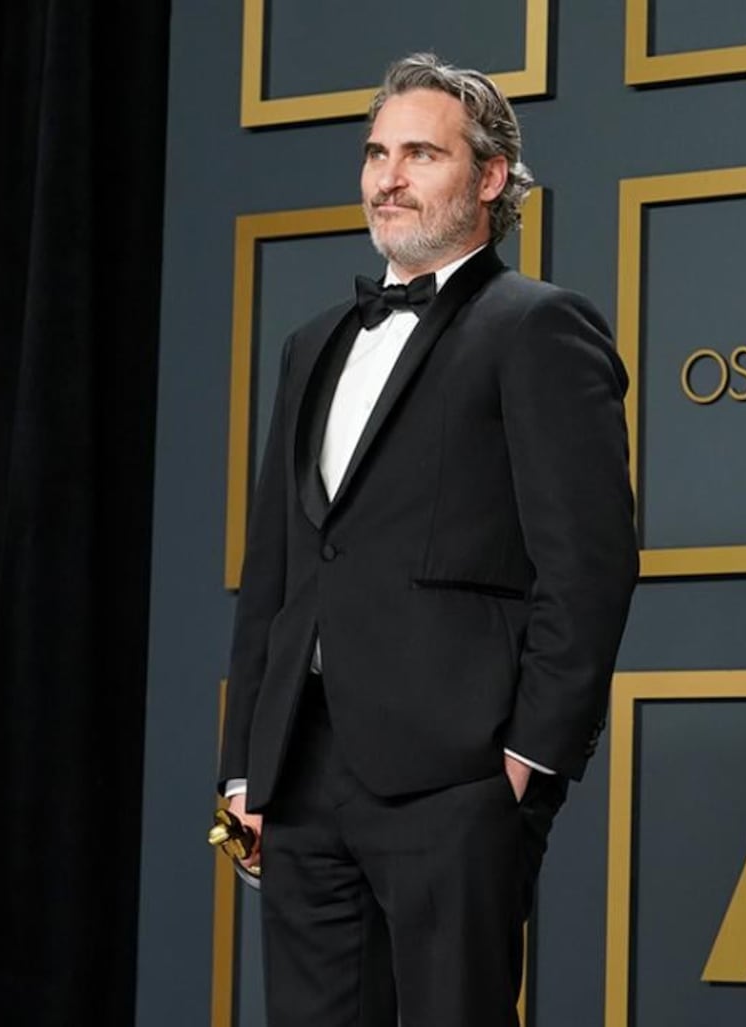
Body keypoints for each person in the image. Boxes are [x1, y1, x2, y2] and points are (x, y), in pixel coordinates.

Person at [218, 52, 639, 1027]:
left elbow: (589, 564)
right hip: (301, 775)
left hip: (458, 776)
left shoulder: (538, 327)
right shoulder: (313, 343)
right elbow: (276, 568)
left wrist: (527, 761)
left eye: (420, 154)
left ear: (489, 178)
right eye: (376, 154)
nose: (388, 177)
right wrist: (245, 766)